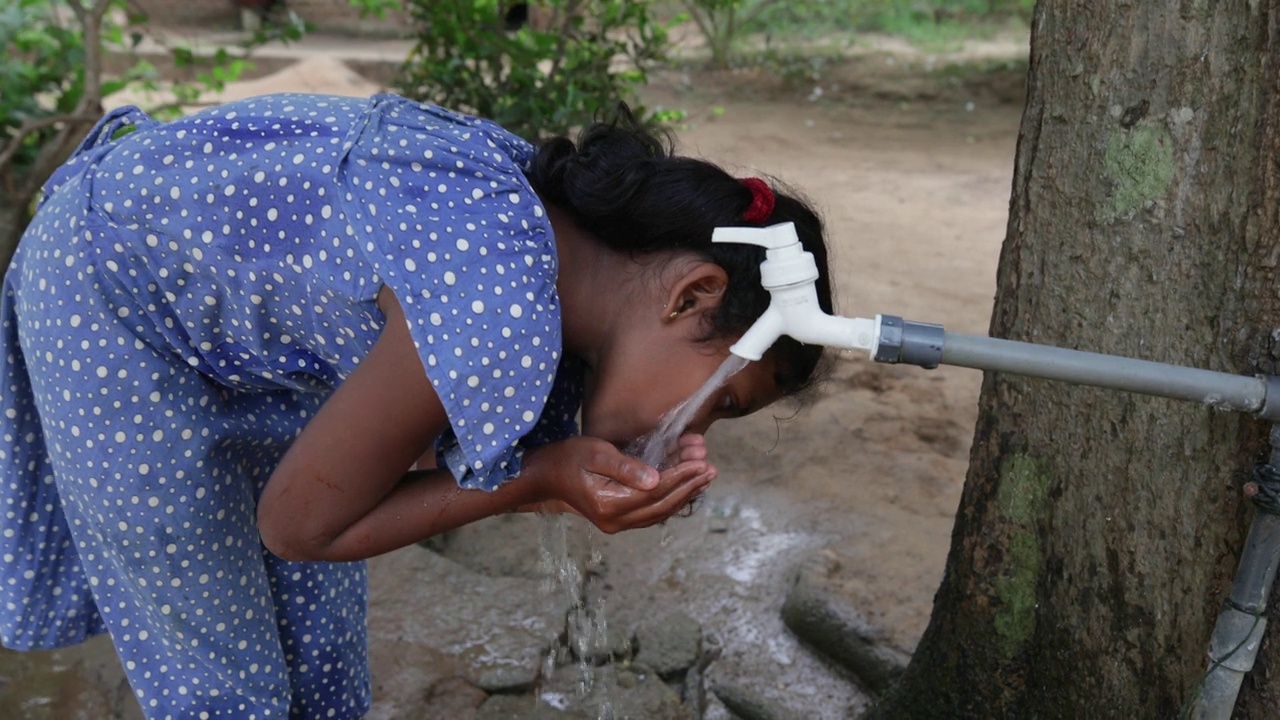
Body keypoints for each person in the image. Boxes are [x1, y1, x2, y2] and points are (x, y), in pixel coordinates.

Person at [0, 92, 833, 718]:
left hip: (231, 323)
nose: (697, 434)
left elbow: (368, 485)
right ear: (692, 294)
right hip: (108, 299)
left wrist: (555, 470)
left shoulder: (546, 258)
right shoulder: (497, 306)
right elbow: (299, 525)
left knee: (319, 648)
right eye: (720, 403)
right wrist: (539, 477)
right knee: (222, 677)